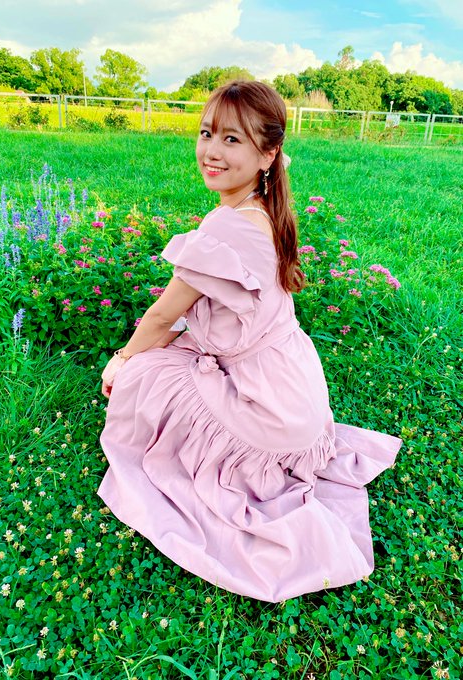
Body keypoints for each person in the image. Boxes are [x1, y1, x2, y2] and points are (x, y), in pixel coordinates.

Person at [98, 81, 401, 603]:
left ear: (268, 154)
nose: (212, 151)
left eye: (232, 139)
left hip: (267, 407)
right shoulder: (265, 208)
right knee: (173, 352)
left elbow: (163, 314)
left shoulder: (226, 226)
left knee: (143, 373)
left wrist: (122, 360)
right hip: (295, 393)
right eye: (206, 133)